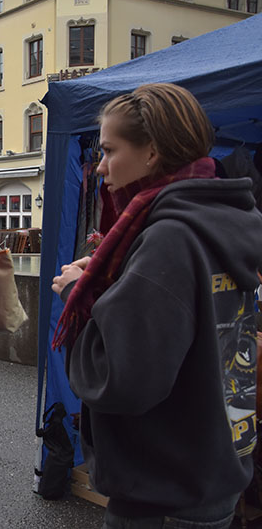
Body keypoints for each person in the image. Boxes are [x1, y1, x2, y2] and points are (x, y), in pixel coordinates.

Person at [51, 83, 262, 529]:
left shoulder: (169, 237)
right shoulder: (222, 220)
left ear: (152, 153)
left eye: (110, 150)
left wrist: (77, 293)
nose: (100, 166)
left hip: (163, 488)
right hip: (212, 467)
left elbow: (123, 377)